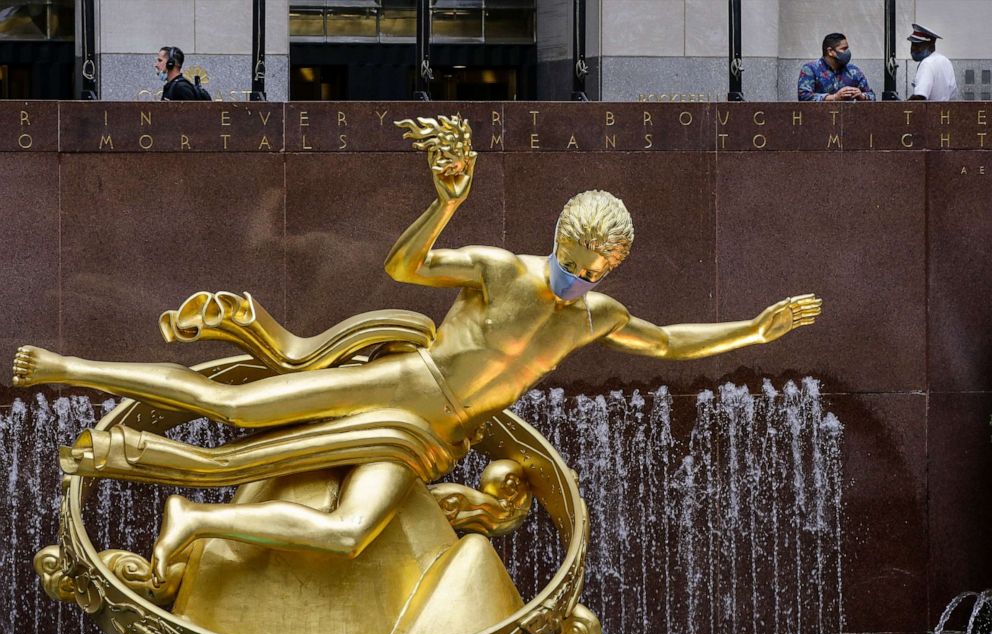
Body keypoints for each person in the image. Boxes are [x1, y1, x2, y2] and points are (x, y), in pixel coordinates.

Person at [13, 115, 822, 580]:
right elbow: (404, 267)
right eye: (571, 260)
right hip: (404, 382)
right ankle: (68, 366)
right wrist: (443, 203)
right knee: (232, 405)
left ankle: (193, 518)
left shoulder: (596, 315)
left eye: (593, 267)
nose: (577, 276)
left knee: (344, 532)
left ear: (614, 263)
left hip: (434, 442)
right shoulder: (502, 270)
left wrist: (755, 327)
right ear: (557, 240)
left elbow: (673, 343)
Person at [798, 32, 876, 102]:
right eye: (844, 49)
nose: (847, 52)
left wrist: (861, 96)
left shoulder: (853, 70)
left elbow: (872, 97)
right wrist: (834, 97)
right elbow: (803, 96)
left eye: (847, 48)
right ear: (830, 51)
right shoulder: (811, 69)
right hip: (820, 116)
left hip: (848, 116)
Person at [907, 23, 957, 101]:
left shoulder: (926, 64)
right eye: (912, 44)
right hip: (945, 112)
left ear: (930, 45)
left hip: (930, 112)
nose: (913, 49)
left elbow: (920, 97)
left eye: (917, 45)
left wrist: (904, 106)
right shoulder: (945, 61)